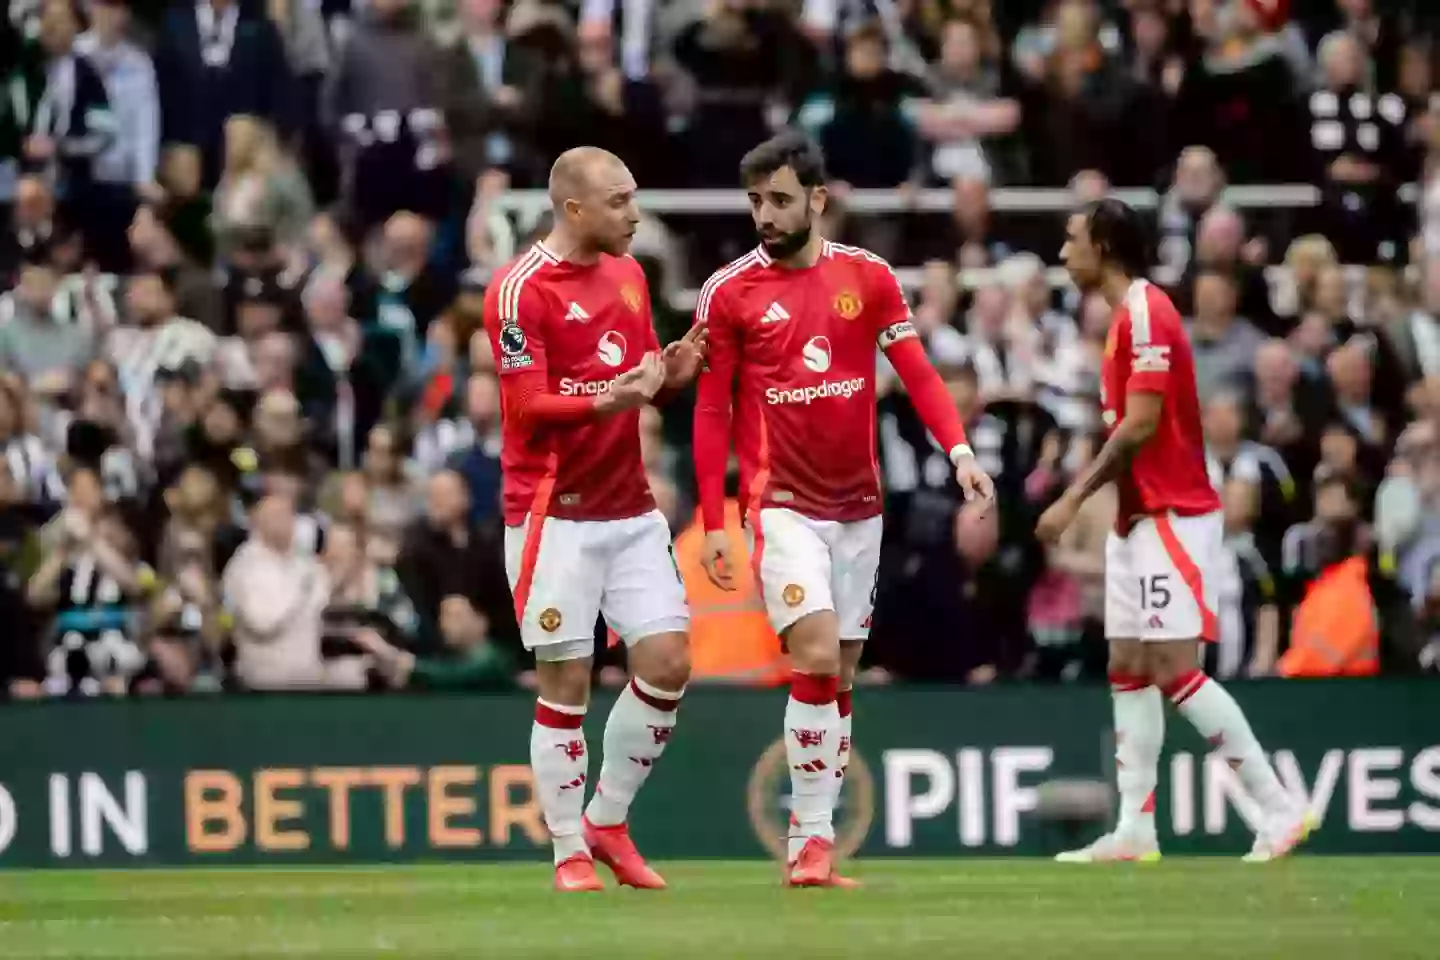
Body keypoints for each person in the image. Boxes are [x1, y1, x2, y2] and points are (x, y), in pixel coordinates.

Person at [692, 131, 993, 888]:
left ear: (818, 200)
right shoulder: (729, 292)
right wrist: (715, 520)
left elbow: (917, 373)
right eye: (755, 201)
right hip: (782, 506)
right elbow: (712, 410)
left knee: (841, 675)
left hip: (860, 508)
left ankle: (817, 843)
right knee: (819, 656)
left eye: (780, 199)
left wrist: (959, 452)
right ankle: (808, 842)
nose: (765, 214)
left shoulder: (869, 277)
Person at [1035, 198, 1313, 863]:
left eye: (1072, 239)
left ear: (1103, 246)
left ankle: (1279, 809)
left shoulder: (1147, 312)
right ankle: (1136, 828)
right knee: (1128, 665)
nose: (1063, 253)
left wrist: (1072, 498)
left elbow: (1141, 424)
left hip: (1173, 515)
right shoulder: (1121, 319)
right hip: (1137, 519)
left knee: (1174, 668)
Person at [481, 146, 707, 893]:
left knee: (668, 663)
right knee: (566, 682)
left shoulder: (630, 275)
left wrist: (671, 376)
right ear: (573, 209)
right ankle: (567, 850)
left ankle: (607, 820)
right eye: (619, 202)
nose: (634, 215)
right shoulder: (519, 290)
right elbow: (525, 406)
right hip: (554, 514)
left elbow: (640, 383)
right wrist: (611, 398)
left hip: (630, 507)